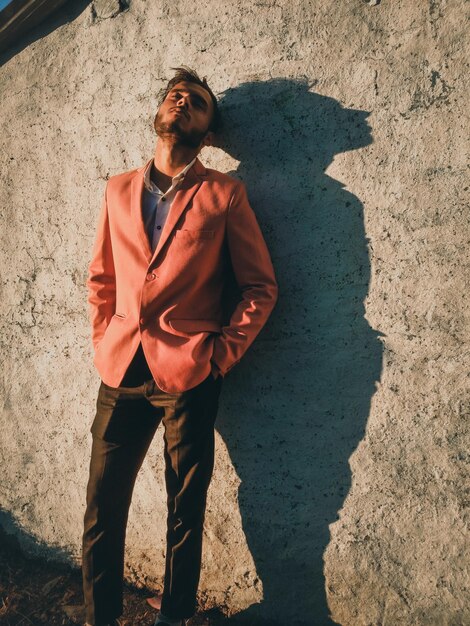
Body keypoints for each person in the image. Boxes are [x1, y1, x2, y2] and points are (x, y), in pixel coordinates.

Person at [81, 66, 278, 626]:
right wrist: (103, 337)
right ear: (160, 113)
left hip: (189, 376)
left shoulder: (224, 194)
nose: (182, 102)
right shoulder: (118, 190)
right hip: (119, 370)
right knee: (101, 508)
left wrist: (220, 355)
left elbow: (260, 287)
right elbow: (102, 277)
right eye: (175, 96)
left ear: (207, 130)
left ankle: (173, 618)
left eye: (196, 102)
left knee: (184, 511)